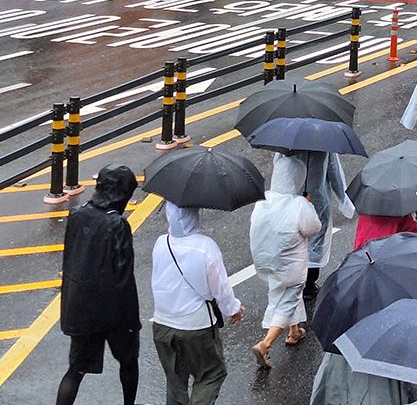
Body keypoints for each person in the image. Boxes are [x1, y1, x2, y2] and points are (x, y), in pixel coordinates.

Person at [57, 164, 141, 405]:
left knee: (75, 370)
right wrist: (130, 319)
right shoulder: (117, 225)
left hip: (82, 307)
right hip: (114, 312)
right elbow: (124, 276)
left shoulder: (77, 214)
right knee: (128, 362)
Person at [151, 203, 244, 405]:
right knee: (211, 373)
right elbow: (220, 287)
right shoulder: (205, 247)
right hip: (196, 325)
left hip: (162, 324)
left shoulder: (161, 243)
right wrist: (233, 309)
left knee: (176, 381)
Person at [249, 154, 322, 369]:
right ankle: (265, 343)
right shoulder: (298, 204)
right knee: (287, 300)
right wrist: (308, 205)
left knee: (279, 293)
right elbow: (313, 228)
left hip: (265, 261)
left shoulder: (263, 200)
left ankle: (294, 331)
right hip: (291, 264)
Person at [301, 151, 356, 298]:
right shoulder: (323, 144)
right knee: (315, 242)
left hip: (292, 198)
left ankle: (297, 280)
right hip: (316, 199)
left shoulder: (284, 146)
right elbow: (334, 171)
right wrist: (344, 200)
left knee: (296, 241)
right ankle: (309, 284)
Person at [352, 209, 417, 251]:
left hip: (363, 251)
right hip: (386, 252)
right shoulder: (399, 212)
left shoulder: (365, 210)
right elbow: (413, 237)